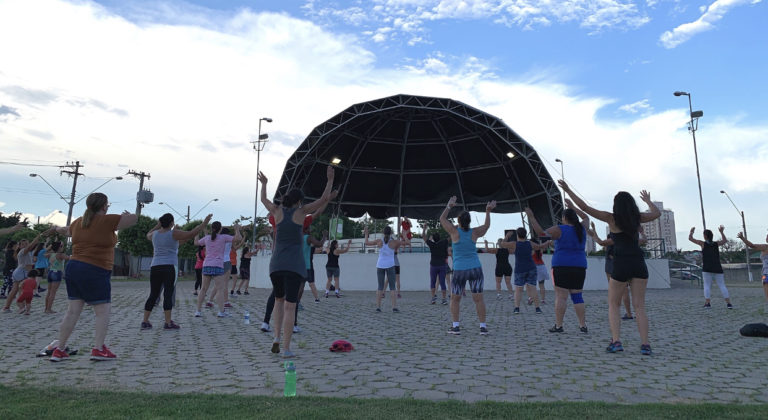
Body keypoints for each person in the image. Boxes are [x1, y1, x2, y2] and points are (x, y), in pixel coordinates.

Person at [559, 181, 660, 355]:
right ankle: (645, 345)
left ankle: (616, 342)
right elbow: (656, 213)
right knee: (639, 307)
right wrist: (648, 201)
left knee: (613, 304)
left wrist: (568, 191)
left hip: (620, 263)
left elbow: (585, 207)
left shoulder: (611, 218)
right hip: (638, 262)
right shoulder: (637, 218)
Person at [48, 193, 138, 362]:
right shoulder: (107, 220)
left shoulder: (78, 222)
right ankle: (98, 349)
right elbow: (133, 219)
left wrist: (56, 229)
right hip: (95, 269)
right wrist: (126, 215)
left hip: (74, 267)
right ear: (104, 206)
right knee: (103, 311)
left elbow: (64, 230)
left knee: (72, 312)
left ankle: (59, 349)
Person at [258, 165, 335, 358]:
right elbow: (322, 201)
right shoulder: (301, 213)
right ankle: (286, 348)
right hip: (294, 265)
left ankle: (276, 337)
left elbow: (263, 200)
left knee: (278, 301)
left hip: (276, 265)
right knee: (290, 306)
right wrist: (330, 180)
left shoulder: (276, 211)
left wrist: (265, 184)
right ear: (299, 201)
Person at [524, 198, 589, 334]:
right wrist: (573, 206)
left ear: (564, 218)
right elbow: (586, 216)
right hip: (579, 266)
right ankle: (583, 326)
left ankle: (559, 326)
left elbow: (541, 234)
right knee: (578, 296)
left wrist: (531, 216)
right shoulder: (582, 228)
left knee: (561, 297)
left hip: (561, 266)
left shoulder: (559, 229)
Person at [142, 213, 211, 330]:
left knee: (153, 294)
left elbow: (148, 234)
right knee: (168, 293)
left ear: (161, 223)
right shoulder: (173, 233)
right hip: (169, 267)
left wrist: (157, 226)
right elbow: (191, 234)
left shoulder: (154, 234)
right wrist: (204, 223)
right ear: (171, 223)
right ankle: (168, 322)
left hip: (155, 266)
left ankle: (145, 321)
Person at [440, 196, 496, 336]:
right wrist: (488, 211)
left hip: (459, 270)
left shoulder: (454, 232)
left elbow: (442, 219)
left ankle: (456, 327)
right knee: (478, 299)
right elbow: (487, 226)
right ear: (469, 221)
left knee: (455, 298)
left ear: (458, 221)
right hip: (475, 269)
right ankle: (483, 327)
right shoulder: (475, 232)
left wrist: (449, 206)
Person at [194, 222, 241, 318]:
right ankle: (221, 312)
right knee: (220, 289)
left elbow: (196, 243)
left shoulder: (207, 238)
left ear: (212, 228)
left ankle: (198, 311)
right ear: (220, 229)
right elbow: (238, 239)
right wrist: (236, 229)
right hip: (218, 265)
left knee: (203, 289)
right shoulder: (223, 237)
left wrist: (197, 233)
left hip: (206, 265)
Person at [500, 228, 551, 314]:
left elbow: (502, 244)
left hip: (520, 269)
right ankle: (537, 308)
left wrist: (507, 236)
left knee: (518, 289)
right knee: (533, 288)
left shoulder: (514, 244)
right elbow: (540, 247)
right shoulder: (530, 243)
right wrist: (548, 242)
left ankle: (517, 308)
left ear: (517, 235)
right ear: (526, 235)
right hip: (531, 268)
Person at [589, 222, 633, 319]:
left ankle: (615, 312)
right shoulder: (624, 239)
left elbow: (600, 242)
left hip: (611, 268)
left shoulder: (611, 239)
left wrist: (594, 229)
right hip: (623, 266)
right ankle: (629, 313)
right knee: (625, 291)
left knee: (614, 291)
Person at [364, 225, 410, 312]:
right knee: (392, 287)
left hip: (380, 265)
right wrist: (404, 236)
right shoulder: (395, 242)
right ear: (391, 233)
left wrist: (366, 234)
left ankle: (378, 307)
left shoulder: (379, 241)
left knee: (380, 287)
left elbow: (366, 243)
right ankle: (394, 307)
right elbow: (407, 243)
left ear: (383, 233)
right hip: (390, 265)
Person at [689, 225, 732, 309]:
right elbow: (724, 240)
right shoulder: (716, 244)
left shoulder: (702, 243)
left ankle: (708, 303)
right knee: (722, 285)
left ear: (705, 236)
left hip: (707, 268)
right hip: (717, 267)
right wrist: (722, 232)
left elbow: (690, 238)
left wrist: (691, 231)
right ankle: (728, 303)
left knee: (707, 286)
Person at [3, 233, 46, 312]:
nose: (26, 245)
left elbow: (34, 248)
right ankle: (20, 307)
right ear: (20, 246)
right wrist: (38, 236)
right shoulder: (23, 251)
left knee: (15, 290)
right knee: (20, 291)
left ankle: (7, 307)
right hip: (21, 273)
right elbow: (31, 246)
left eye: (26, 243)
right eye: (23, 244)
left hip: (21, 272)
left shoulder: (27, 252)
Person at [737, 231, 768, 302]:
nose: (766, 238)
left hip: (766, 273)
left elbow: (752, 245)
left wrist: (742, 238)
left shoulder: (765, 247)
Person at [423, 225, 449, 305]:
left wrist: (424, 228)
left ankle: (433, 298)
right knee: (442, 282)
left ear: (433, 239)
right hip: (442, 265)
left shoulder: (432, 244)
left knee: (433, 282)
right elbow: (451, 236)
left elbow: (423, 237)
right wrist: (453, 228)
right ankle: (444, 299)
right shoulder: (444, 242)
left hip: (433, 265)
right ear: (439, 238)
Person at [484, 234, 514, 300]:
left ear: (498, 243)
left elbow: (487, 250)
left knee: (498, 282)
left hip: (499, 267)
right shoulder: (508, 250)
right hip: (507, 267)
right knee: (508, 282)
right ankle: (511, 295)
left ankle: (499, 295)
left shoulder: (497, 250)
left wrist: (486, 243)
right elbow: (514, 250)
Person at [44, 241, 68, 314]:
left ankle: (46, 308)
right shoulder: (60, 255)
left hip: (50, 272)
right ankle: (49, 309)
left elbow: (44, 253)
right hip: (57, 273)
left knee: (49, 292)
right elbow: (69, 258)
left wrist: (50, 248)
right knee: (53, 293)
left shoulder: (50, 254)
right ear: (59, 247)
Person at [530, 236, 550, 305]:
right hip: (542, 266)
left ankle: (531, 298)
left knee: (532, 285)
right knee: (541, 285)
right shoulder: (540, 249)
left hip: (534, 267)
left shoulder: (532, 250)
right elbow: (545, 246)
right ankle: (543, 300)